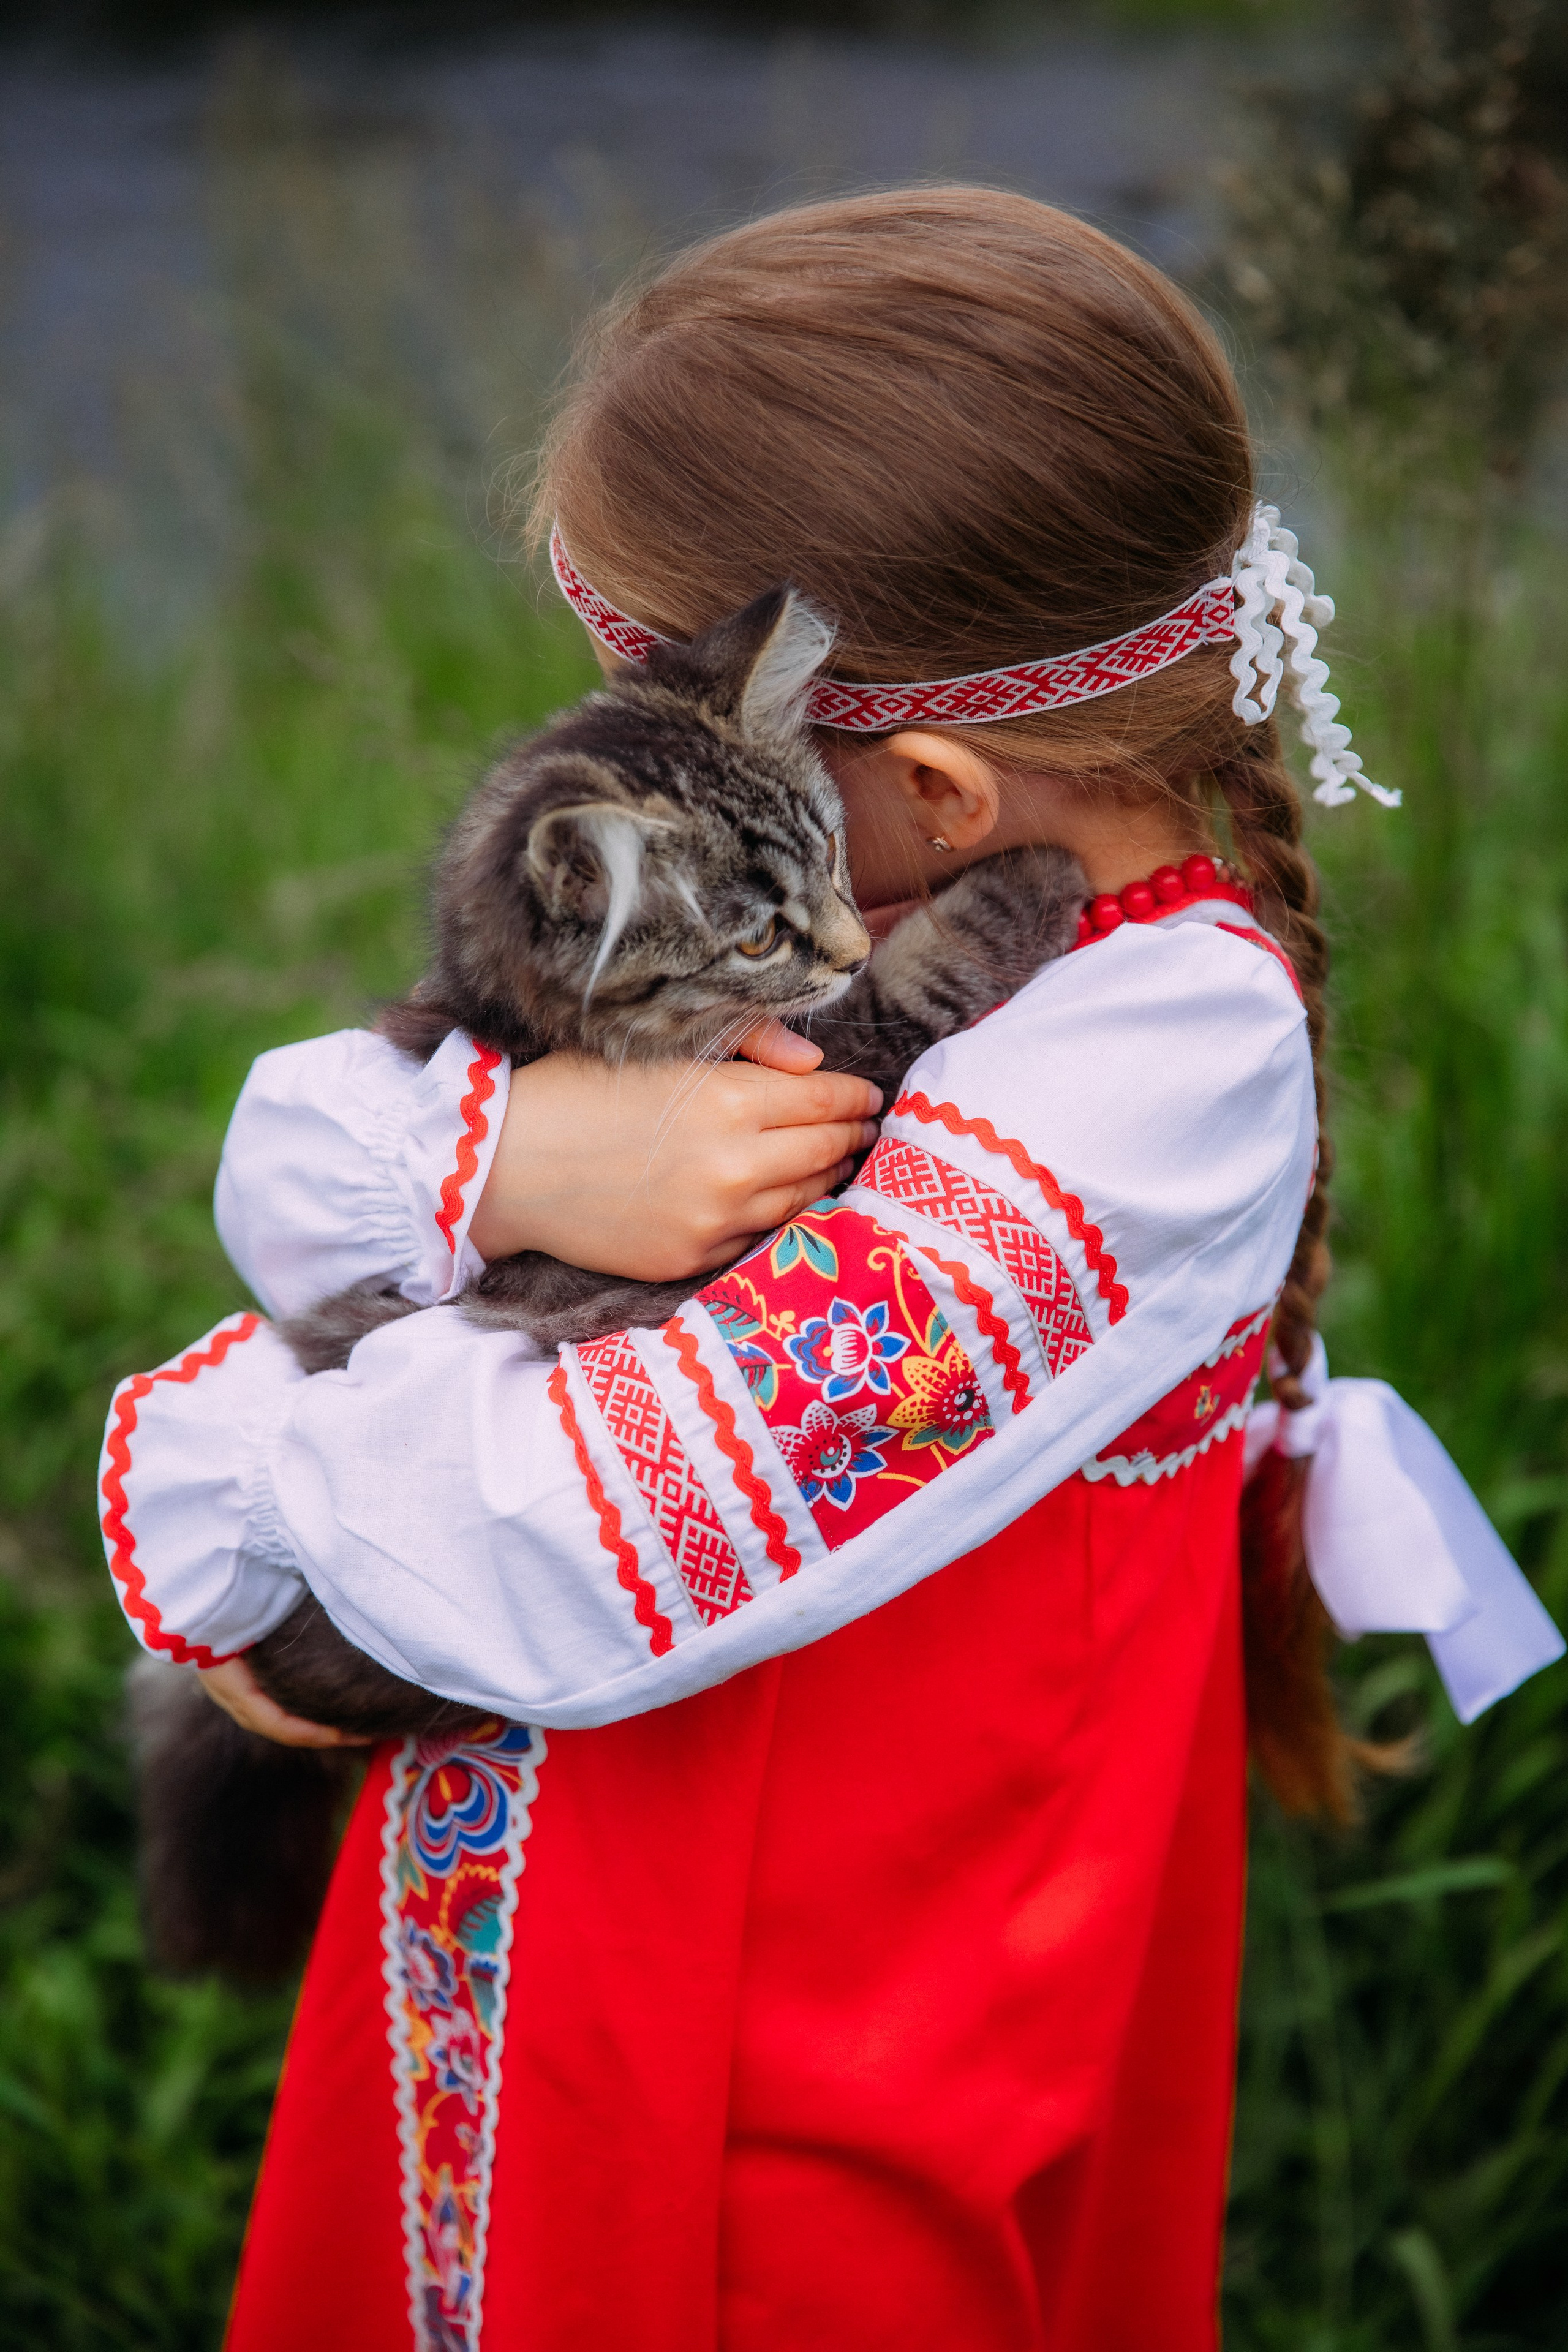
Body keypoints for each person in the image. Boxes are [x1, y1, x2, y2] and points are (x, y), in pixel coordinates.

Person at [97, 190, 1560, 2352]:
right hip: (611, 1951)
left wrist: (237, 1476)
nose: (631, 747)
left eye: (671, 692)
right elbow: (327, 1169)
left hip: (789, 2079)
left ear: (942, 792)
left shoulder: (1145, 1071)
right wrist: (511, 1152)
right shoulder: (924, 921)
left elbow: (572, 1542)